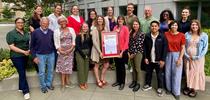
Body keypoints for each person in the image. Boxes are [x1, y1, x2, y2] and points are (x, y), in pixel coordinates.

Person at [6, 18, 30, 100]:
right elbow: (11, 47)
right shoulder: (11, 34)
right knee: (22, 72)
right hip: (16, 56)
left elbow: (29, 42)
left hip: (25, 55)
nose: (21, 24)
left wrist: (29, 50)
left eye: (22, 22)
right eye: (19, 22)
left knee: (22, 71)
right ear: (15, 23)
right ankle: (25, 91)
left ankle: (20, 87)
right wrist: (23, 52)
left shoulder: (26, 32)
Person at [142, 21, 167, 97]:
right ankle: (148, 85)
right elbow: (145, 47)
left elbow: (165, 49)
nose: (154, 27)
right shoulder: (147, 35)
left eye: (155, 26)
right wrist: (145, 57)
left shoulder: (162, 36)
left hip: (158, 60)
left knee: (159, 75)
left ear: (158, 27)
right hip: (150, 59)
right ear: (150, 27)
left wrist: (163, 60)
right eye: (152, 26)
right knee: (148, 73)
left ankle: (160, 88)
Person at [183, 20, 208, 97]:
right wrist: (186, 55)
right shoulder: (187, 34)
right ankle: (188, 87)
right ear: (190, 26)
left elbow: (205, 48)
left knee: (196, 72)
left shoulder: (204, 35)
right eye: (193, 25)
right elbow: (183, 46)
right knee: (188, 71)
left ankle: (194, 89)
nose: (194, 26)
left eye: (196, 25)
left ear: (199, 26)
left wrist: (197, 57)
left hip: (198, 59)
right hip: (187, 57)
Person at [30, 17, 55, 93]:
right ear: (40, 23)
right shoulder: (35, 32)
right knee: (42, 72)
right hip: (40, 55)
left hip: (51, 54)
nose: (45, 25)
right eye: (44, 23)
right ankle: (43, 86)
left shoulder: (51, 32)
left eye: (47, 24)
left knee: (50, 70)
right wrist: (34, 57)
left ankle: (48, 83)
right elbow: (31, 46)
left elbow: (54, 44)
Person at [54, 16, 76, 91]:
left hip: (70, 52)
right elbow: (56, 43)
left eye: (64, 21)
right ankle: (63, 84)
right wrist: (61, 51)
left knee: (68, 67)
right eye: (61, 21)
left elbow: (74, 41)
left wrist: (70, 49)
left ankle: (68, 82)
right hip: (61, 52)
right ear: (59, 23)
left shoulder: (71, 29)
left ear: (66, 22)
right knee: (63, 69)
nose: (63, 22)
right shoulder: (56, 31)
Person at [164, 21, 186, 100]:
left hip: (177, 55)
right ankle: (169, 89)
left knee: (177, 74)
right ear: (170, 26)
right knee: (167, 73)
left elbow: (183, 48)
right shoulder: (166, 34)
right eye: (172, 25)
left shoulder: (182, 35)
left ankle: (176, 92)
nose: (174, 26)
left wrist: (180, 58)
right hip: (167, 55)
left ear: (178, 26)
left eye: (176, 25)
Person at [91, 15, 109, 88]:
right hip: (97, 50)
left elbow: (109, 37)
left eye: (101, 19)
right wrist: (100, 52)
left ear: (103, 20)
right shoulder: (94, 29)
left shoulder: (105, 28)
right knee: (96, 66)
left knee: (106, 64)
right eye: (98, 19)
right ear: (96, 20)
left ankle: (102, 78)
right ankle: (98, 80)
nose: (100, 20)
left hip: (105, 50)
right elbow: (94, 41)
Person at [112, 16, 129, 90]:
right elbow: (111, 37)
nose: (120, 20)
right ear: (117, 20)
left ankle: (122, 83)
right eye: (119, 19)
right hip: (115, 50)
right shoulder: (115, 27)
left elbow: (127, 41)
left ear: (123, 20)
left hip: (123, 51)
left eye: (121, 19)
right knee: (117, 66)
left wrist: (122, 52)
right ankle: (118, 81)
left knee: (122, 67)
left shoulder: (125, 28)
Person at [128, 19, 144, 92]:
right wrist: (129, 53)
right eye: (134, 24)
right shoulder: (131, 33)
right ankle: (134, 81)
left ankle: (138, 83)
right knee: (133, 68)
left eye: (136, 24)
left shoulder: (141, 33)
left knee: (137, 68)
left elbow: (140, 45)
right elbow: (129, 43)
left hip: (138, 53)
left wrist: (133, 54)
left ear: (139, 25)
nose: (135, 25)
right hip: (131, 53)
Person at [75, 23, 92, 90]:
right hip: (80, 53)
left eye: (86, 27)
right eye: (84, 27)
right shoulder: (78, 35)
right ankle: (81, 83)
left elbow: (90, 45)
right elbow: (77, 46)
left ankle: (85, 82)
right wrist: (83, 55)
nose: (85, 28)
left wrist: (88, 54)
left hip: (87, 53)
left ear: (88, 28)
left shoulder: (89, 36)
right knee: (81, 69)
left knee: (86, 68)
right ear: (81, 28)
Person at [29, 4, 43, 73]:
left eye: (40, 9)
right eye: (38, 9)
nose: (39, 10)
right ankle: (37, 68)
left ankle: (42, 66)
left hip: (43, 37)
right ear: (35, 10)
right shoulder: (32, 18)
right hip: (36, 37)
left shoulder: (43, 17)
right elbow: (31, 28)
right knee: (36, 52)